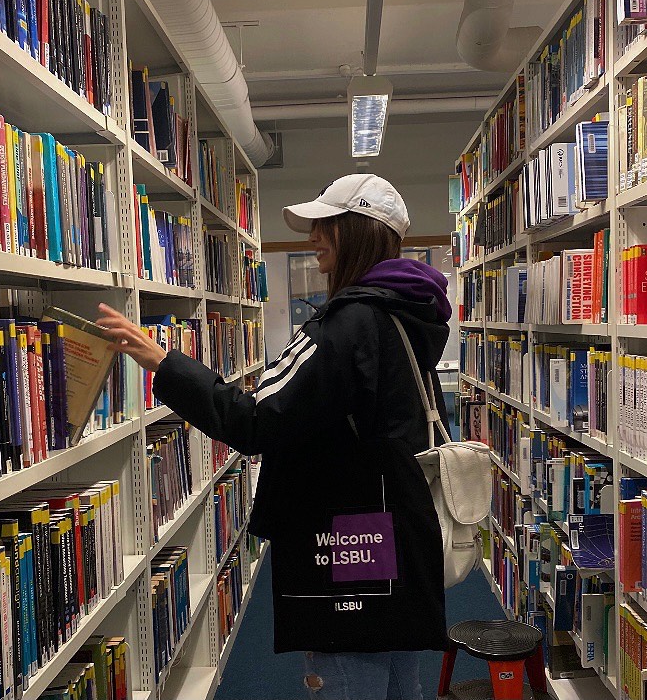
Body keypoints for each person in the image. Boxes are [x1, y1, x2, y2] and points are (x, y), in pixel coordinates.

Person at [97, 174, 452, 700]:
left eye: (323, 225)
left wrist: (163, 361)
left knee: (350, 678)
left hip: (348, 555)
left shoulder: (343, 326)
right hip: (395, 550)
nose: (313, 238)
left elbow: (254, 421)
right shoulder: (407, 318)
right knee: (398, 680)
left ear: (356, 231)